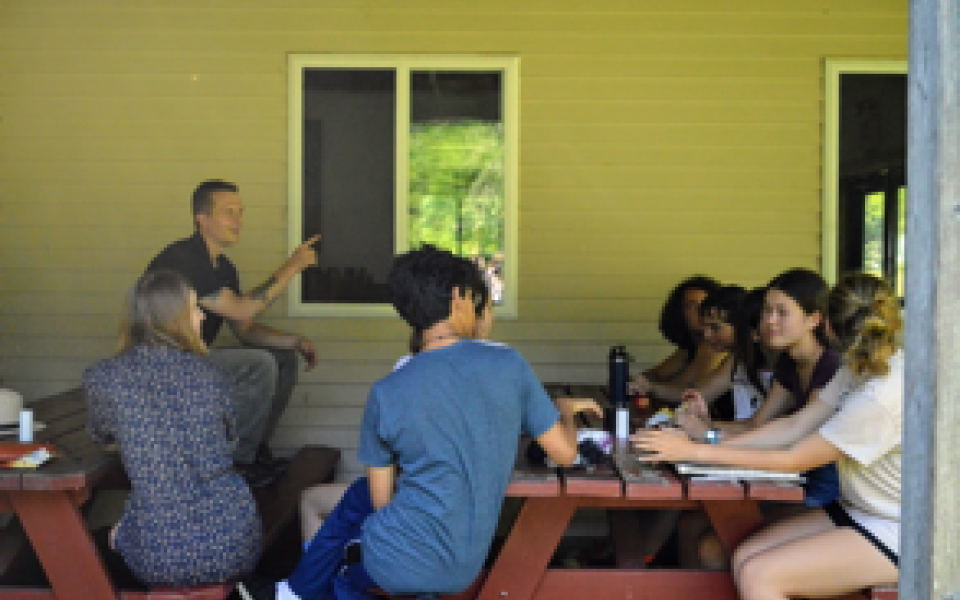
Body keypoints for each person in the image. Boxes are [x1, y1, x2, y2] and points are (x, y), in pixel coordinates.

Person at [241, 245, 602, 600]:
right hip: (464, 565)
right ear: (458, 297)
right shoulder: (508, 365)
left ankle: (310, 586)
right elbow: (566, 454)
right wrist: (564, 410)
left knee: (349, 558)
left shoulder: (387, 391)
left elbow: (382, 503)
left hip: (391, 560)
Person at [633, 273, 902, 598]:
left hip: (898, 529)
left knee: (761, 576)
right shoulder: (854, 367)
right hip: (857, 510)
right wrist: (705, 442)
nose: (769, 320)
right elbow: (794, 425)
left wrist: (694, 452)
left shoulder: (878, 396)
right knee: (743, 556)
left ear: (824, 322)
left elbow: (792, 459)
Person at [82, 270, 261, 586]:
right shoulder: (213, 374)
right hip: (234, 539)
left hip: (161, 551)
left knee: (113, 533)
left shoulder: (104, 378)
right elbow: (230, 440)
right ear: (173, 318)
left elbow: (101, 435)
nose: (202, 316)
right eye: (193, 307)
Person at [298, 265, 496, 544]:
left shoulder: (406, 370)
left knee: (311, 501)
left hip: (412, 505)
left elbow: (391, 464)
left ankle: (327, 578)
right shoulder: (501, 371)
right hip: (461, 514)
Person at [146, 179, 320, 486]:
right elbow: (242, 309)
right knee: (258, 364)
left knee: (281, 359)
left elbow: (245, 329)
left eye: (241, 212)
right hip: (162, 368)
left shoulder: (224, 268)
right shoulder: (184, 259)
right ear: (202, 219)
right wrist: (291, 267)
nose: (238, 220)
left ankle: (254, 451)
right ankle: (237, 464)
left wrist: (293, 341)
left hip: (195, 361)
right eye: (229, 212)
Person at [676, 268, 841, 509]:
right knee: (704, 523)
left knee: (714, 530)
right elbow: (757, 425)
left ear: (814, 319)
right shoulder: (789, 362)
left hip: (828, 490)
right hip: (793, 477)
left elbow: (797, 435)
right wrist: (705, 424)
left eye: (782, 312)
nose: (769, 320)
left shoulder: (830, 364)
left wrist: (706, 437)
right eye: (767, 310)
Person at [634, 275, 727, 405]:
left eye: (705, 305)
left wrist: (649, 386)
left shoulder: (715, 346)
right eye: (692, 306)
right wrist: (644, 383)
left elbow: (684, 387)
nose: (701, 312)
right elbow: (655, 374)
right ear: (679, 311)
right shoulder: (690, 347)